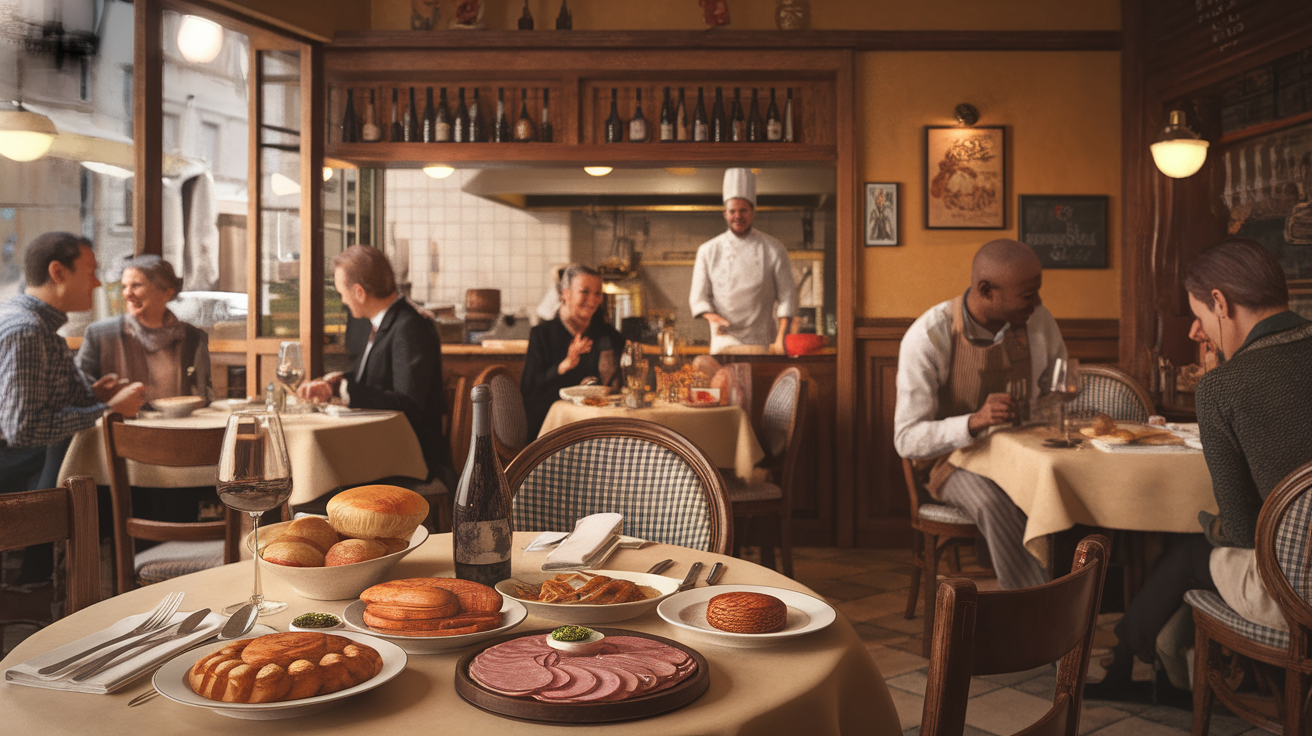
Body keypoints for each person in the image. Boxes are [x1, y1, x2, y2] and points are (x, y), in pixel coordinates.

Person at [1087, 237, 1312, 704]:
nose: (1196, 331)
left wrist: (1205, 523)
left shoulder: (1223, 387)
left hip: (1297, 594)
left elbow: (1242, 531)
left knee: (1193, 548)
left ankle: (1135, 662)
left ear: (1220, 303)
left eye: (1200, 315)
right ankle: (1161, 658)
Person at [894, 238, 1065, 591]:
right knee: (993, 502)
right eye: (1028, 295)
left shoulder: (1038, 321)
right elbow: (906, 439)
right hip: (950, 462)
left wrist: (1051, 407)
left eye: (1037, 291)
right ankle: (1036, 604)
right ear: (986, 290)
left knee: (1066, 493)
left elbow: (1057, 389)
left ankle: (1080, 593)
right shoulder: (930, 335)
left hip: (1023, 454)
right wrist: (974, 422)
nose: (1038, 303)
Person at [0, 232, 145, 583]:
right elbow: (23, 429)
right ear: (58, 272)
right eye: (90, 271)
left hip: (30, 472)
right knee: (130, 493)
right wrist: (107, 409)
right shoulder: (27, 330)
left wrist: (93, 395)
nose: (97, 283)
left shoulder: (35, 324)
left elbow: (37, 402)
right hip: (17, 479)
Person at [299, 245, 454, 492]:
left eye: (342, 293)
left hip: (410, 459)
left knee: (319, 475)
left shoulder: (409, 327)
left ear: (359, 292)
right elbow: (375, 379)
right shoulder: (385, 322)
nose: (343, 300)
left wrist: (344, 389)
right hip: (384, 448)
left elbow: (408, 403)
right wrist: (336, 382)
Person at [689, 168, 797, 355]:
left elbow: (788, 297)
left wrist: (781, 339)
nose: (738, 216)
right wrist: (713, 318)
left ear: (753, 212)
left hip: (763, 343)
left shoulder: (774, 249)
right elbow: (698, 298)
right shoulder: (708, 250)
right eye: (732, 211)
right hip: (724, 342)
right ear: (725, 214)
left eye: (743, 210)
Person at [76, 255, 211, 404]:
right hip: (121, 419)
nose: (127, 294)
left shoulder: (193, 337)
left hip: (177, 419)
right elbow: (79, 394)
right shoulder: (100, 335)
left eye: (136, 285)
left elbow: (203, 393)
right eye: (124, 286)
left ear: (167, 292)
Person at [521, 264, 623, 440]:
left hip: (595, 429)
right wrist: (564, 366)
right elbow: (528, 390)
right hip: (552, 434)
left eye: (597, 294)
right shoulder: (542, 334)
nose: (592, 300)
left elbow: (623, 372)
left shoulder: (603, 332)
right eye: (584, 292)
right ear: (565, 294)